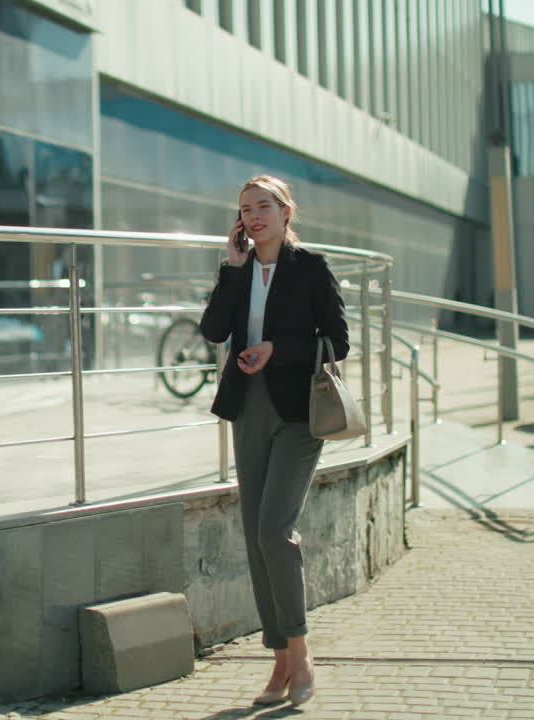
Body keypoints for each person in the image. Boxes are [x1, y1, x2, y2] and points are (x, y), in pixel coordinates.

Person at [198, 174, 349, 708]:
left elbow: (338, 340)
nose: (254, 215)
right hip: (249, 408)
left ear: (287, 212)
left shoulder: (310, 267)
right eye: (245, 208)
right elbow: (213, 332)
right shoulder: (238, 270)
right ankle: (280, 657)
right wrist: (232, 271)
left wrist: (275, 351)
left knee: (274, 530)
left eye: (264, 205)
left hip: (299, 410)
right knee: (254, 533)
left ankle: (300, 650)